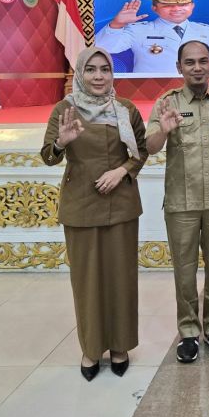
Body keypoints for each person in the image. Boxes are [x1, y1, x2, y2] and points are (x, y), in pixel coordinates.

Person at [40, 46, 148, 381]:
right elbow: (48, 157)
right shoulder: (65, 109)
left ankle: (120, 346)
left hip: (121, 203)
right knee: (87, 281)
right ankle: (91, 348)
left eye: (105, 69)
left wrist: (122, 171)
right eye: (91, 69)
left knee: (121, 278)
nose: (99, 76)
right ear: (80, 73)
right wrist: (61, 142)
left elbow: (141, 151)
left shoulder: (125, 109)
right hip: (81, 205)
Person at [145, 40, 209, 363]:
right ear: (179, 67)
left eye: (203, 61)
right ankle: (189, 331)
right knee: (185, 270)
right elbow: (150, 146)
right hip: (182, 202)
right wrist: (164, 131)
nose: (197, 68)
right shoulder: (167, 103)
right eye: (189, 62)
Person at [95, 0, 209, 74]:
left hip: (199, 96)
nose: (176, 9)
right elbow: (102, 48)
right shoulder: (138, 30)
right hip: (152, 95)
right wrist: (117, 24)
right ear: (154, 8)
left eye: (183, 4)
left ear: (192, 6)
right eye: (168, 5)